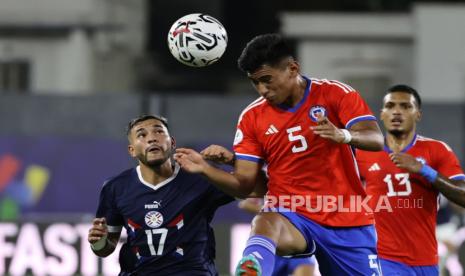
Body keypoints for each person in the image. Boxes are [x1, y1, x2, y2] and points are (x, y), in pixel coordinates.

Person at [174, 33, 385, 275]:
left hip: (347, 217)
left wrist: (344, 136)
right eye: (255, 83)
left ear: (293, 68)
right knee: (265, 221)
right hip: (293, 212)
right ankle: (251, 267)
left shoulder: (335, 93)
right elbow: (245, 185)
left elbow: (376, 139)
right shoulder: (252, 118)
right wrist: (205, 169)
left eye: (267, 80)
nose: (262, 90)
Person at [87, 115, 234, 275]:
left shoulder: (201, 177)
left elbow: (256, 188)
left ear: (172, 142)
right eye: (142, 135)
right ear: (132, 150)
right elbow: (106, 248)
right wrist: (99, 243)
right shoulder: (116, 187)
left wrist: (232, 161)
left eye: (158, 132)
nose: (152, 139)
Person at [356, 84, 465, 275]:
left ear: (418, 114)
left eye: (405, 106)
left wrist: (425, 171)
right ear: (381, 114)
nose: (396, 112)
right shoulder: (364, 153)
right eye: (390, 106)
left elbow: (462, 195)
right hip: (384, 258)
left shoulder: (436, 150)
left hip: (427, 260)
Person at [202, 144, 316, 276]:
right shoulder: (263, 171)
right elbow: (245, 203)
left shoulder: (301, 173)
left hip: (295, 232)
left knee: (305, 266)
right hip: (272, 236)